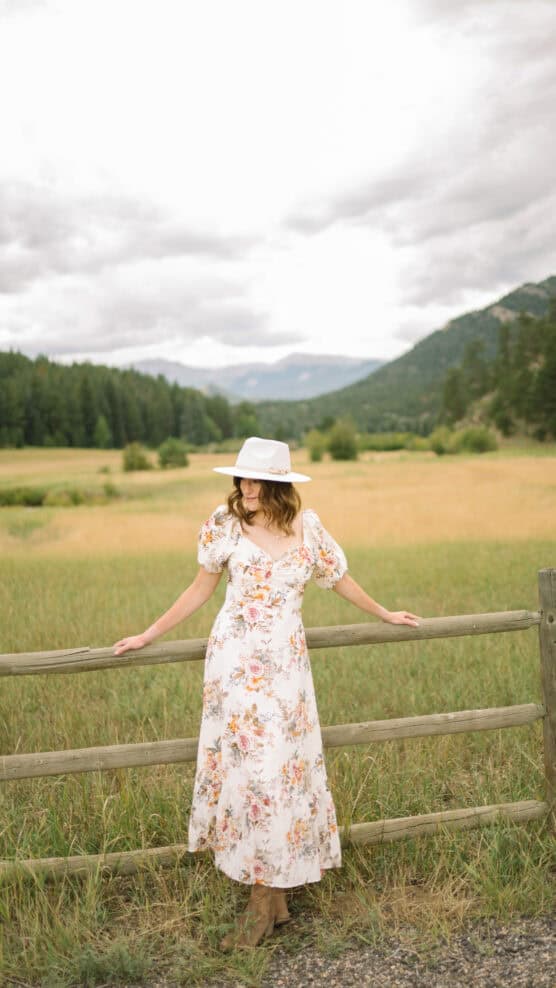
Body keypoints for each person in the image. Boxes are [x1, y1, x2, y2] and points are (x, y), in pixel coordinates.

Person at [113, 436, 420, 950]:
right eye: (242, 478)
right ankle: (263, 905)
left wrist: (385, 613)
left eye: (256, 480)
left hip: (287, 674)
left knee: (280, 775)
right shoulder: (225, 525)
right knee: (254, 779)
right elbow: (199, 589)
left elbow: (339, 579)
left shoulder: (309, 529)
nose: (246, 487)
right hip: (235, 669)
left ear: (279, 484)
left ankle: (273, 902)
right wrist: (148, 634)